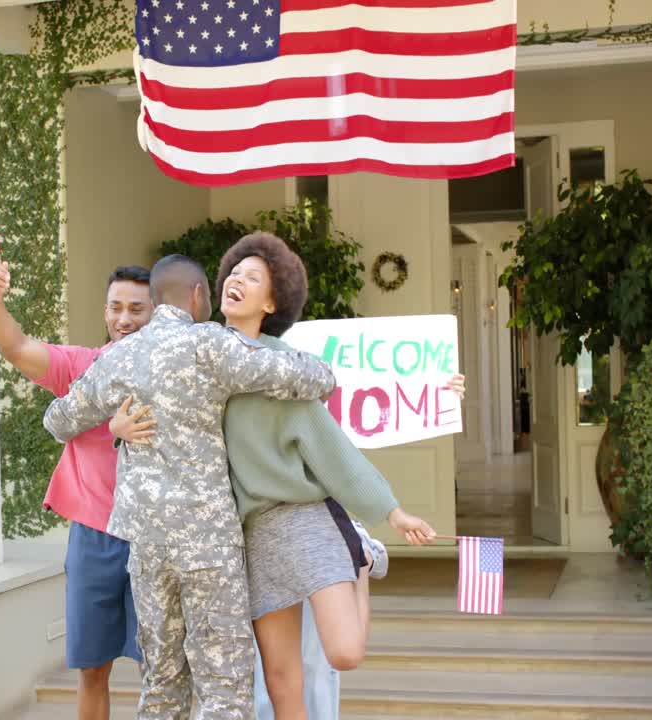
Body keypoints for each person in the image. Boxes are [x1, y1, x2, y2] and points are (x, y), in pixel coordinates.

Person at [110, 233, 465, 720]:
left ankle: (362, 559)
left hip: (302, 521)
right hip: (246, 538)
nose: (236, 280)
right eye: (233, 273)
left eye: (253, 277)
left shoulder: (282, 366)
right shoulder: (197, 353)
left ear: (272, 302)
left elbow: (332, 445)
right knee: (280, 684)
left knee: (345, 653)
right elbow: (134, 390)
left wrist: (393, 511)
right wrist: (116, 427)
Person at [42, 255, 338, 720]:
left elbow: (57, 421)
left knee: (161, 684)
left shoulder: (119, 357)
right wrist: (322, 372)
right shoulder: (210, 344)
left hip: (146, 547)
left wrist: (115, 425)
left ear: (155, 298)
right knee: (223, 687)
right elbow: (309, 377)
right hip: (208, 544)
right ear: (198, 296)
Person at [0, 261, 153, 720]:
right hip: (93, 537)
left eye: (137, 309)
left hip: (155, 537)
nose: (124, 319)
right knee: (91, 670)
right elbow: (15, 347)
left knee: (160, 670)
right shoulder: (81, 366)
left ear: (157, 313)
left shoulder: (176, 375)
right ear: (105, 311)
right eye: (116, 307)